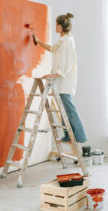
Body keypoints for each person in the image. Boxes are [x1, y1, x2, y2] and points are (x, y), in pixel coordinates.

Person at [34, 13, 87, 143]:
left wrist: (56, 74)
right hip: (61, 79)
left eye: (56, 23)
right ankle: (68, 135)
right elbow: (52, 49)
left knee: (69, 108)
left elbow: (68, 61)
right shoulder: (62, 40)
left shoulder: (68, 41)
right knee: (64, 108)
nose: (55, 26)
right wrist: (39, 42)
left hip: (65, 80)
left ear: (60, 26)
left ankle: (80, 136)